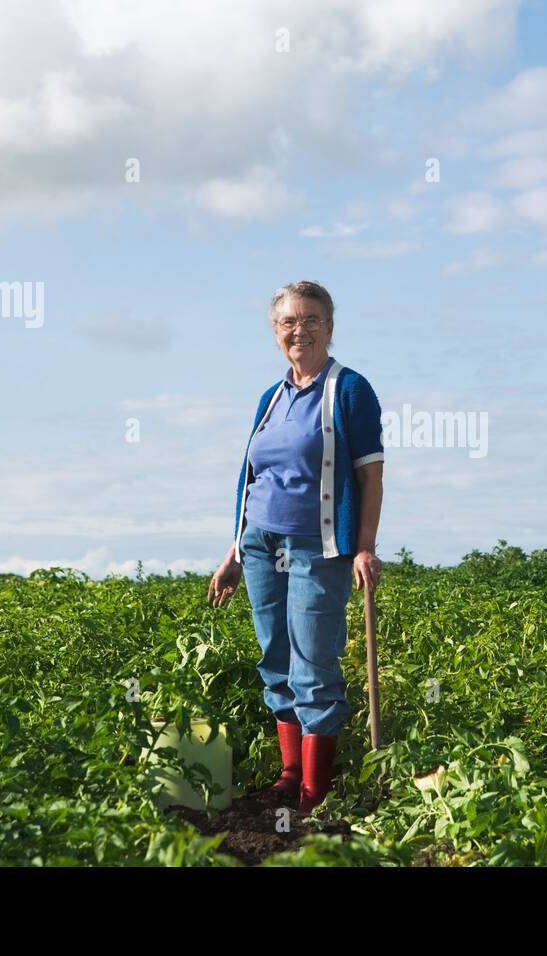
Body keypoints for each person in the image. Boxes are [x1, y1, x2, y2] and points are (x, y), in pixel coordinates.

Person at [208, 280, 383, 813]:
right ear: (275, 331)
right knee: (275, 657)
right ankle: (289, 776)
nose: (298, 330)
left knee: (313, 659)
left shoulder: (349, 390)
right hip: (260, 543)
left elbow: (370, 476)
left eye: (310, 320)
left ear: (330, 327)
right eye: (288, 322)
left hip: (318, 544)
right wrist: (234, 552)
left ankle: (316, 790)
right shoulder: (272, 396)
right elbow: (251, 476)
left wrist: (364, 546)